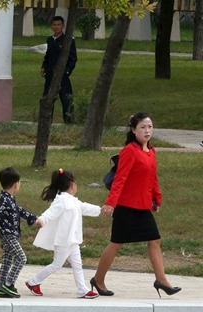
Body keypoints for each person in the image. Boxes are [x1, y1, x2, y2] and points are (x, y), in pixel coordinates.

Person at [91, 113, 181, 298]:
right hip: (126, 206)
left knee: (154, 240)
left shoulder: (151, 151)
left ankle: (162, 280)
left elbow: (152, 177)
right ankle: (98, 279)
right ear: (133, 130)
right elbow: (120, 179)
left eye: (150, 126)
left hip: (142, 206)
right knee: (116, 244)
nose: (147, 131)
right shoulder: (129, 151)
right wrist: (110, 203)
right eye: (142, 127)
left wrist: (157, 198)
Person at [25, 169, 102, 299]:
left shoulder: (73, 201)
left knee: (77, 264)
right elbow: (51, 212)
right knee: (57, 265)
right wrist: (42, 219)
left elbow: (85, 207)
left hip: (72, 240)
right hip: (63, 240)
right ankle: (33, 281)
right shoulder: (61, 200)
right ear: (72, 185)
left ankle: (82, 289)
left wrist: (101, 210)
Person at [0, 167, 39, 298]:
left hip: (11, 235)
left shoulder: (9, 199)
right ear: (16, 184)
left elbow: (20, 210)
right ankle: (8, 283)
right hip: (8, 235)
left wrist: (34, 218)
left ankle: (0, 288)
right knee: (22, 258)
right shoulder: (3, 199)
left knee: (7, 261)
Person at [41, 16, 77, 124]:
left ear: (63, 26)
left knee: (66, 99)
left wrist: (66, 72)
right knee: (47, 98)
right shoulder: (50, 40)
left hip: (62, 75)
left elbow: (73, 58)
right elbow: (48, 55)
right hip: (50, 74)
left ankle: (69, 122)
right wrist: (44, 67)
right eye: (54, 25)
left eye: (58, 25)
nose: (56, 27)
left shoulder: (68, 40)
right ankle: (46, 122)